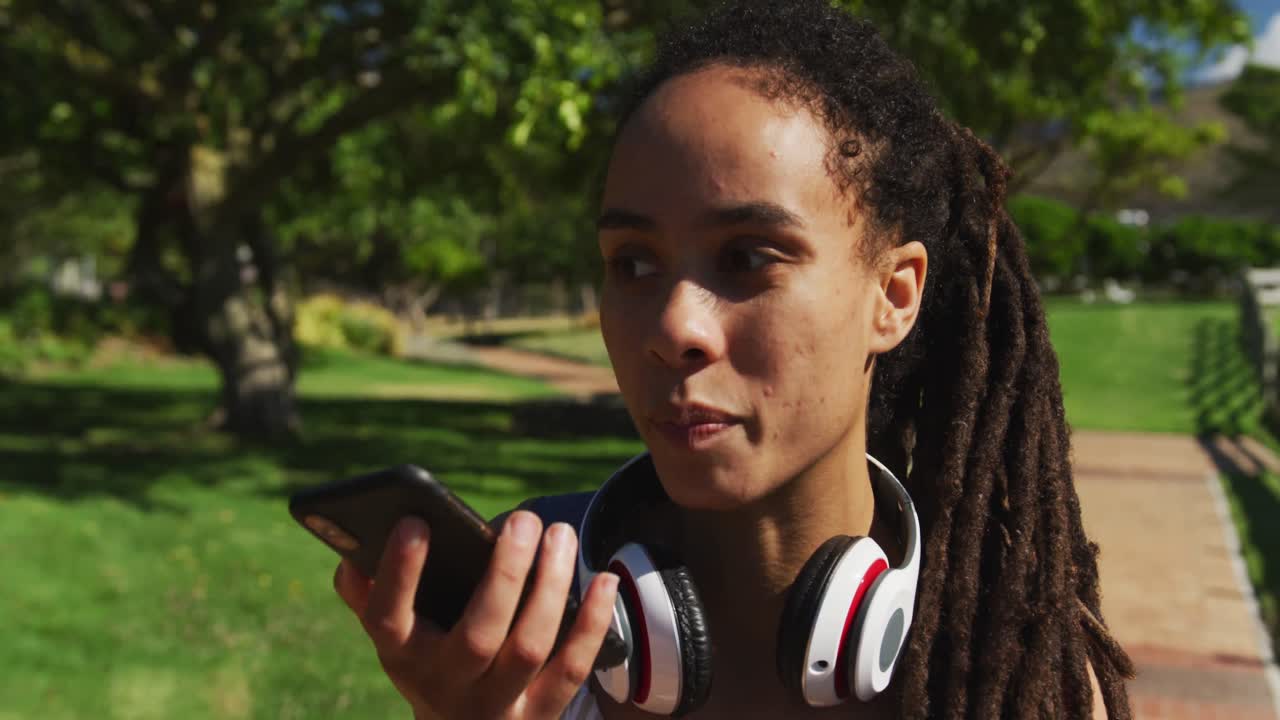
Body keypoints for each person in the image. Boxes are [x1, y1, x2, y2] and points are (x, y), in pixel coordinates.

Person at [331, 1, 1135, 717]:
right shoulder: (520, 612)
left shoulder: (1009, 667)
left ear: (893, 296)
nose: (675, 326)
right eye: (634, 264)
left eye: (749, 257)